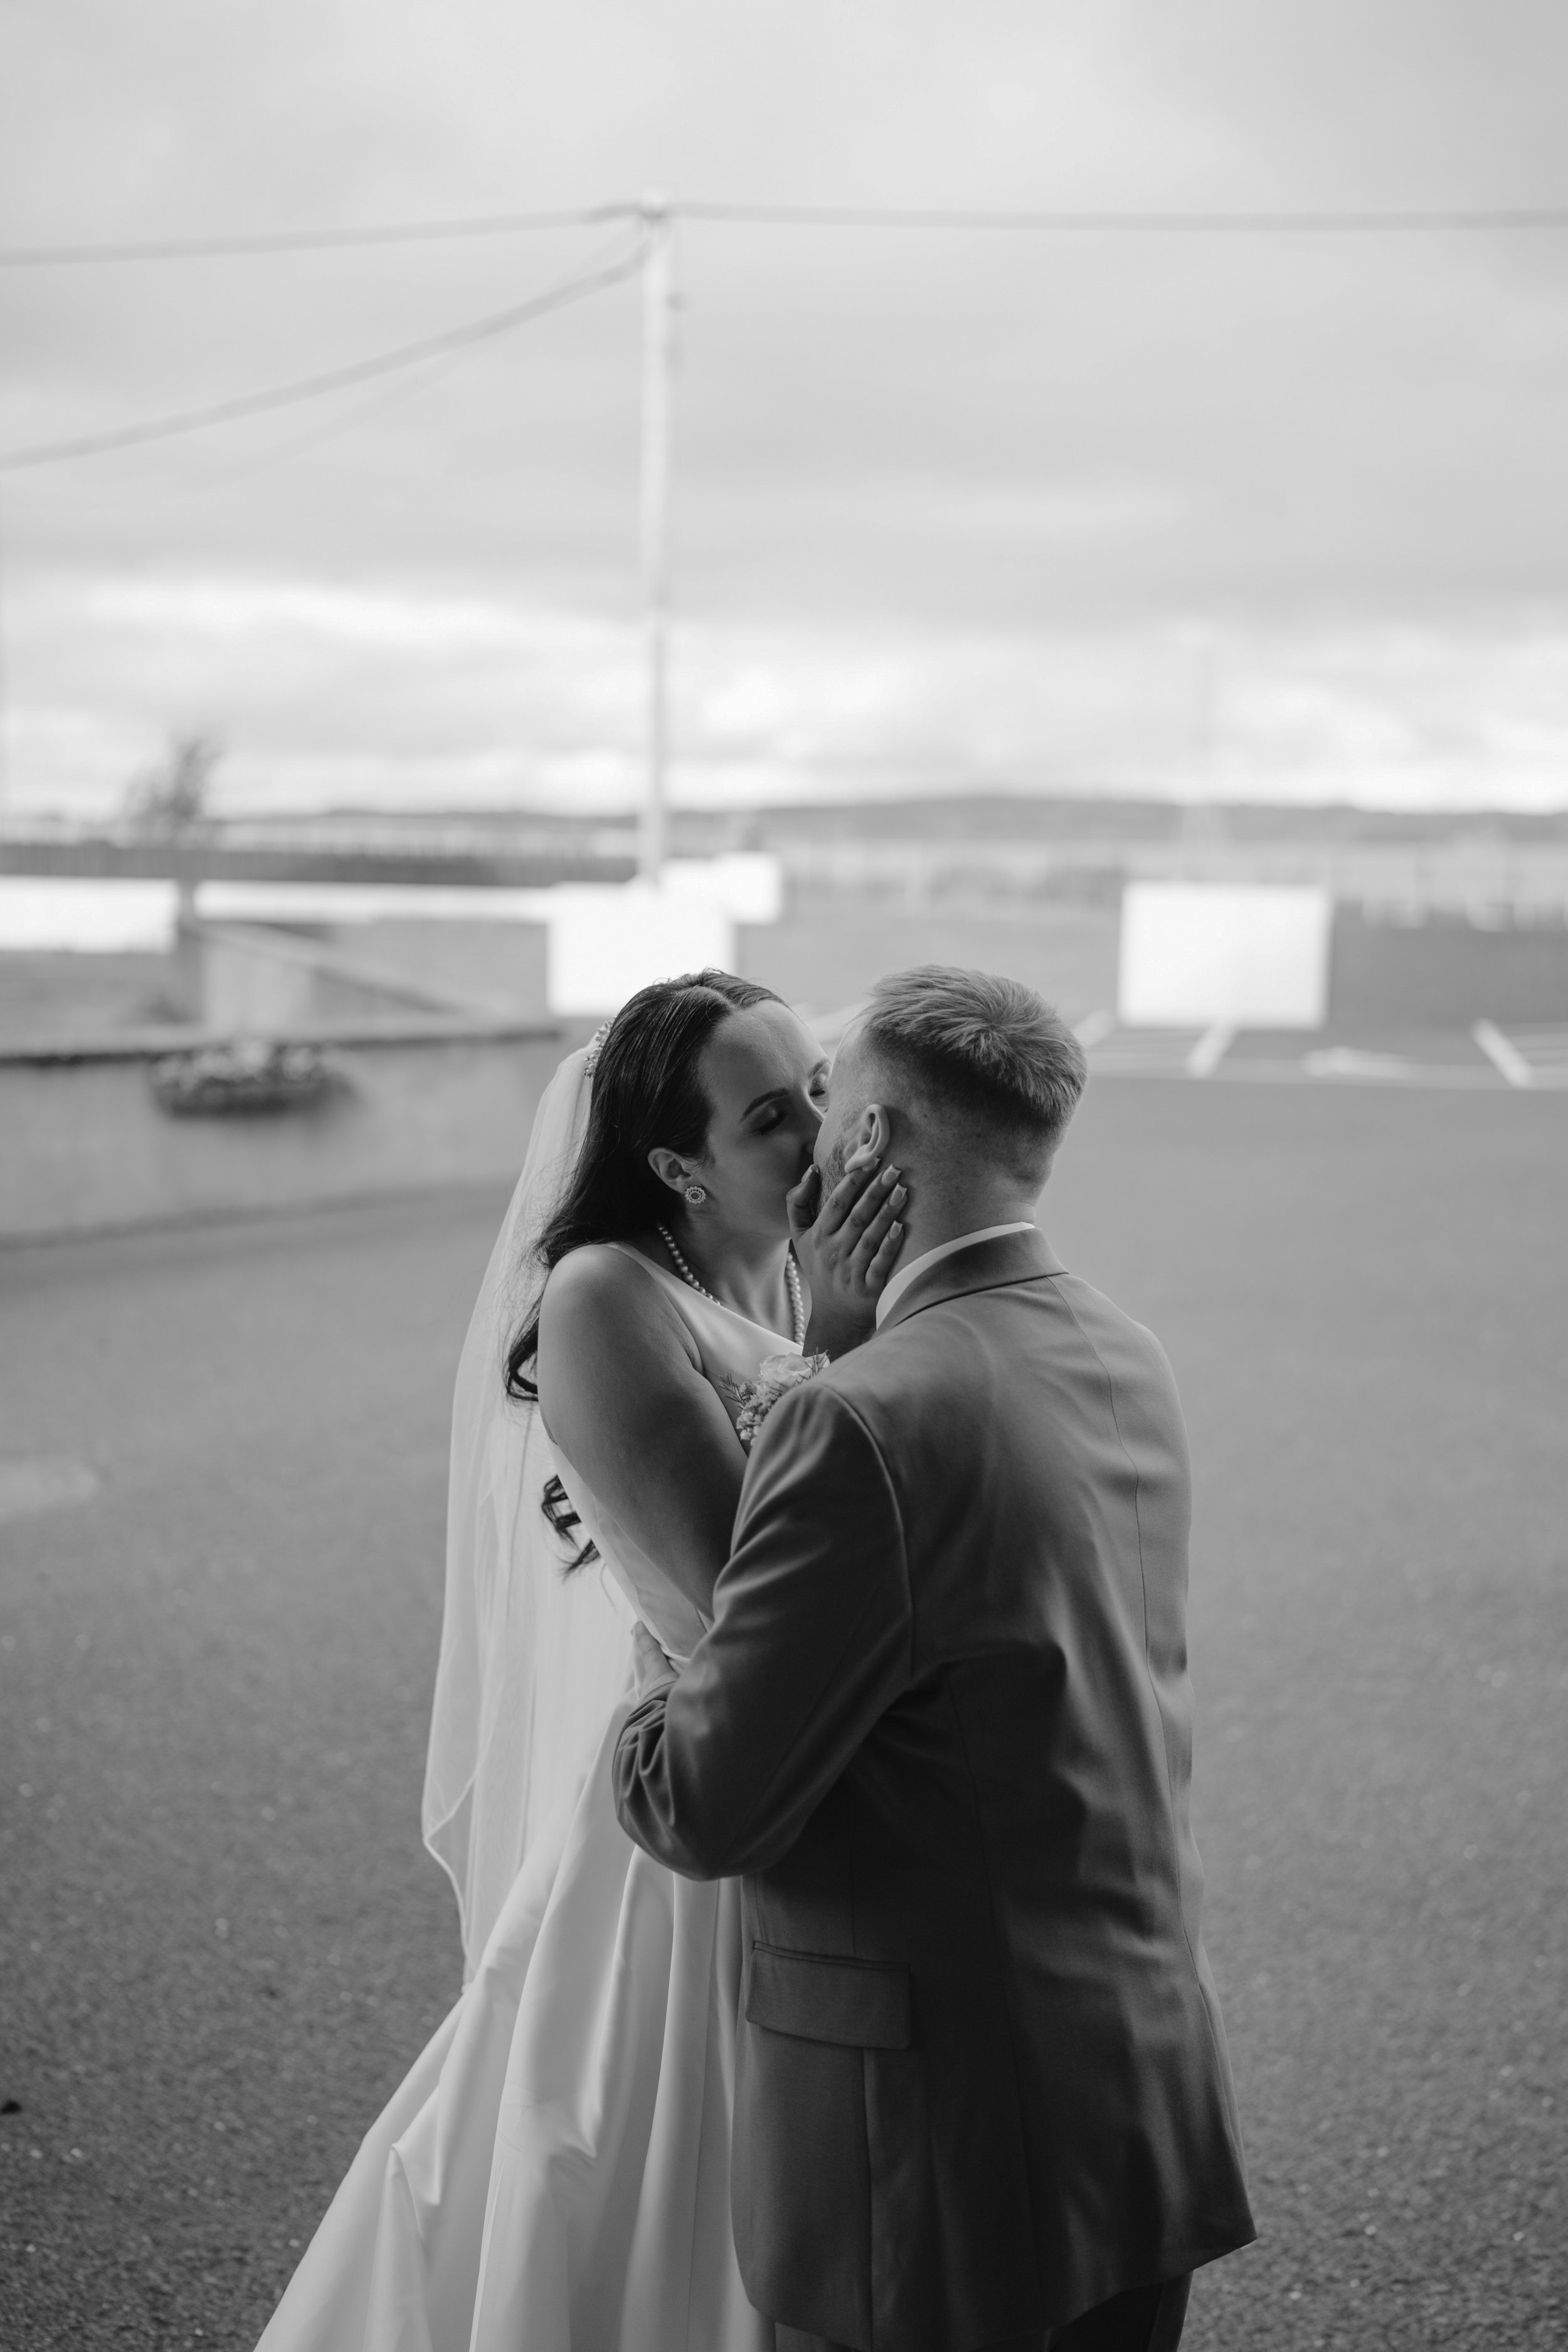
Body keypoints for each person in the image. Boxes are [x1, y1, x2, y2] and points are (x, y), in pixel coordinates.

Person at [255, 970, 903, 2352]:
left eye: (823, 1090)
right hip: (692, 1813)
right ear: (672, 1163)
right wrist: (845, 1344)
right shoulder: (603, 1296)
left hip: (808, 1764)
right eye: (772, 1116)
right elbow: (749, 1589)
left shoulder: (787, 1262)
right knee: (638, 2175)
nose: (824, 1134)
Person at [613, 965, 1256, 2352]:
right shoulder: (1121, 1349)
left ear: (874, 1144)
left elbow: (698, 1802)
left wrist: (648, 1642)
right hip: (1136, 2101)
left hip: (929, 2163)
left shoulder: (856, 1423)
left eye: (828, 1098)